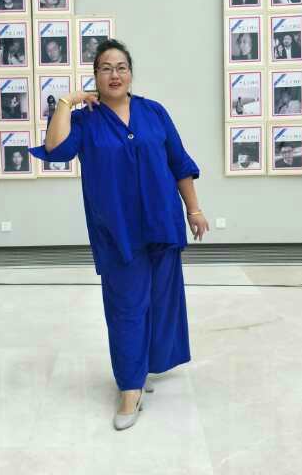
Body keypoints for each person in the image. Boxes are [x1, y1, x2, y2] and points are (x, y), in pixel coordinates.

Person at [28, 38, 206, 431]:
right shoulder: (85, 120)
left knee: (160, 302)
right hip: (118, 230)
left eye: (121, 67)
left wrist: (193, 209)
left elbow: (179, 162)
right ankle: (129, 387)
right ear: (95, 76)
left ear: (131, 73)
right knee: (126, 307)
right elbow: (55, 149)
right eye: (106, 68)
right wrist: (66, 102)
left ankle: (142, 370)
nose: (114, 74)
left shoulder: (153, 112)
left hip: (161, 222)